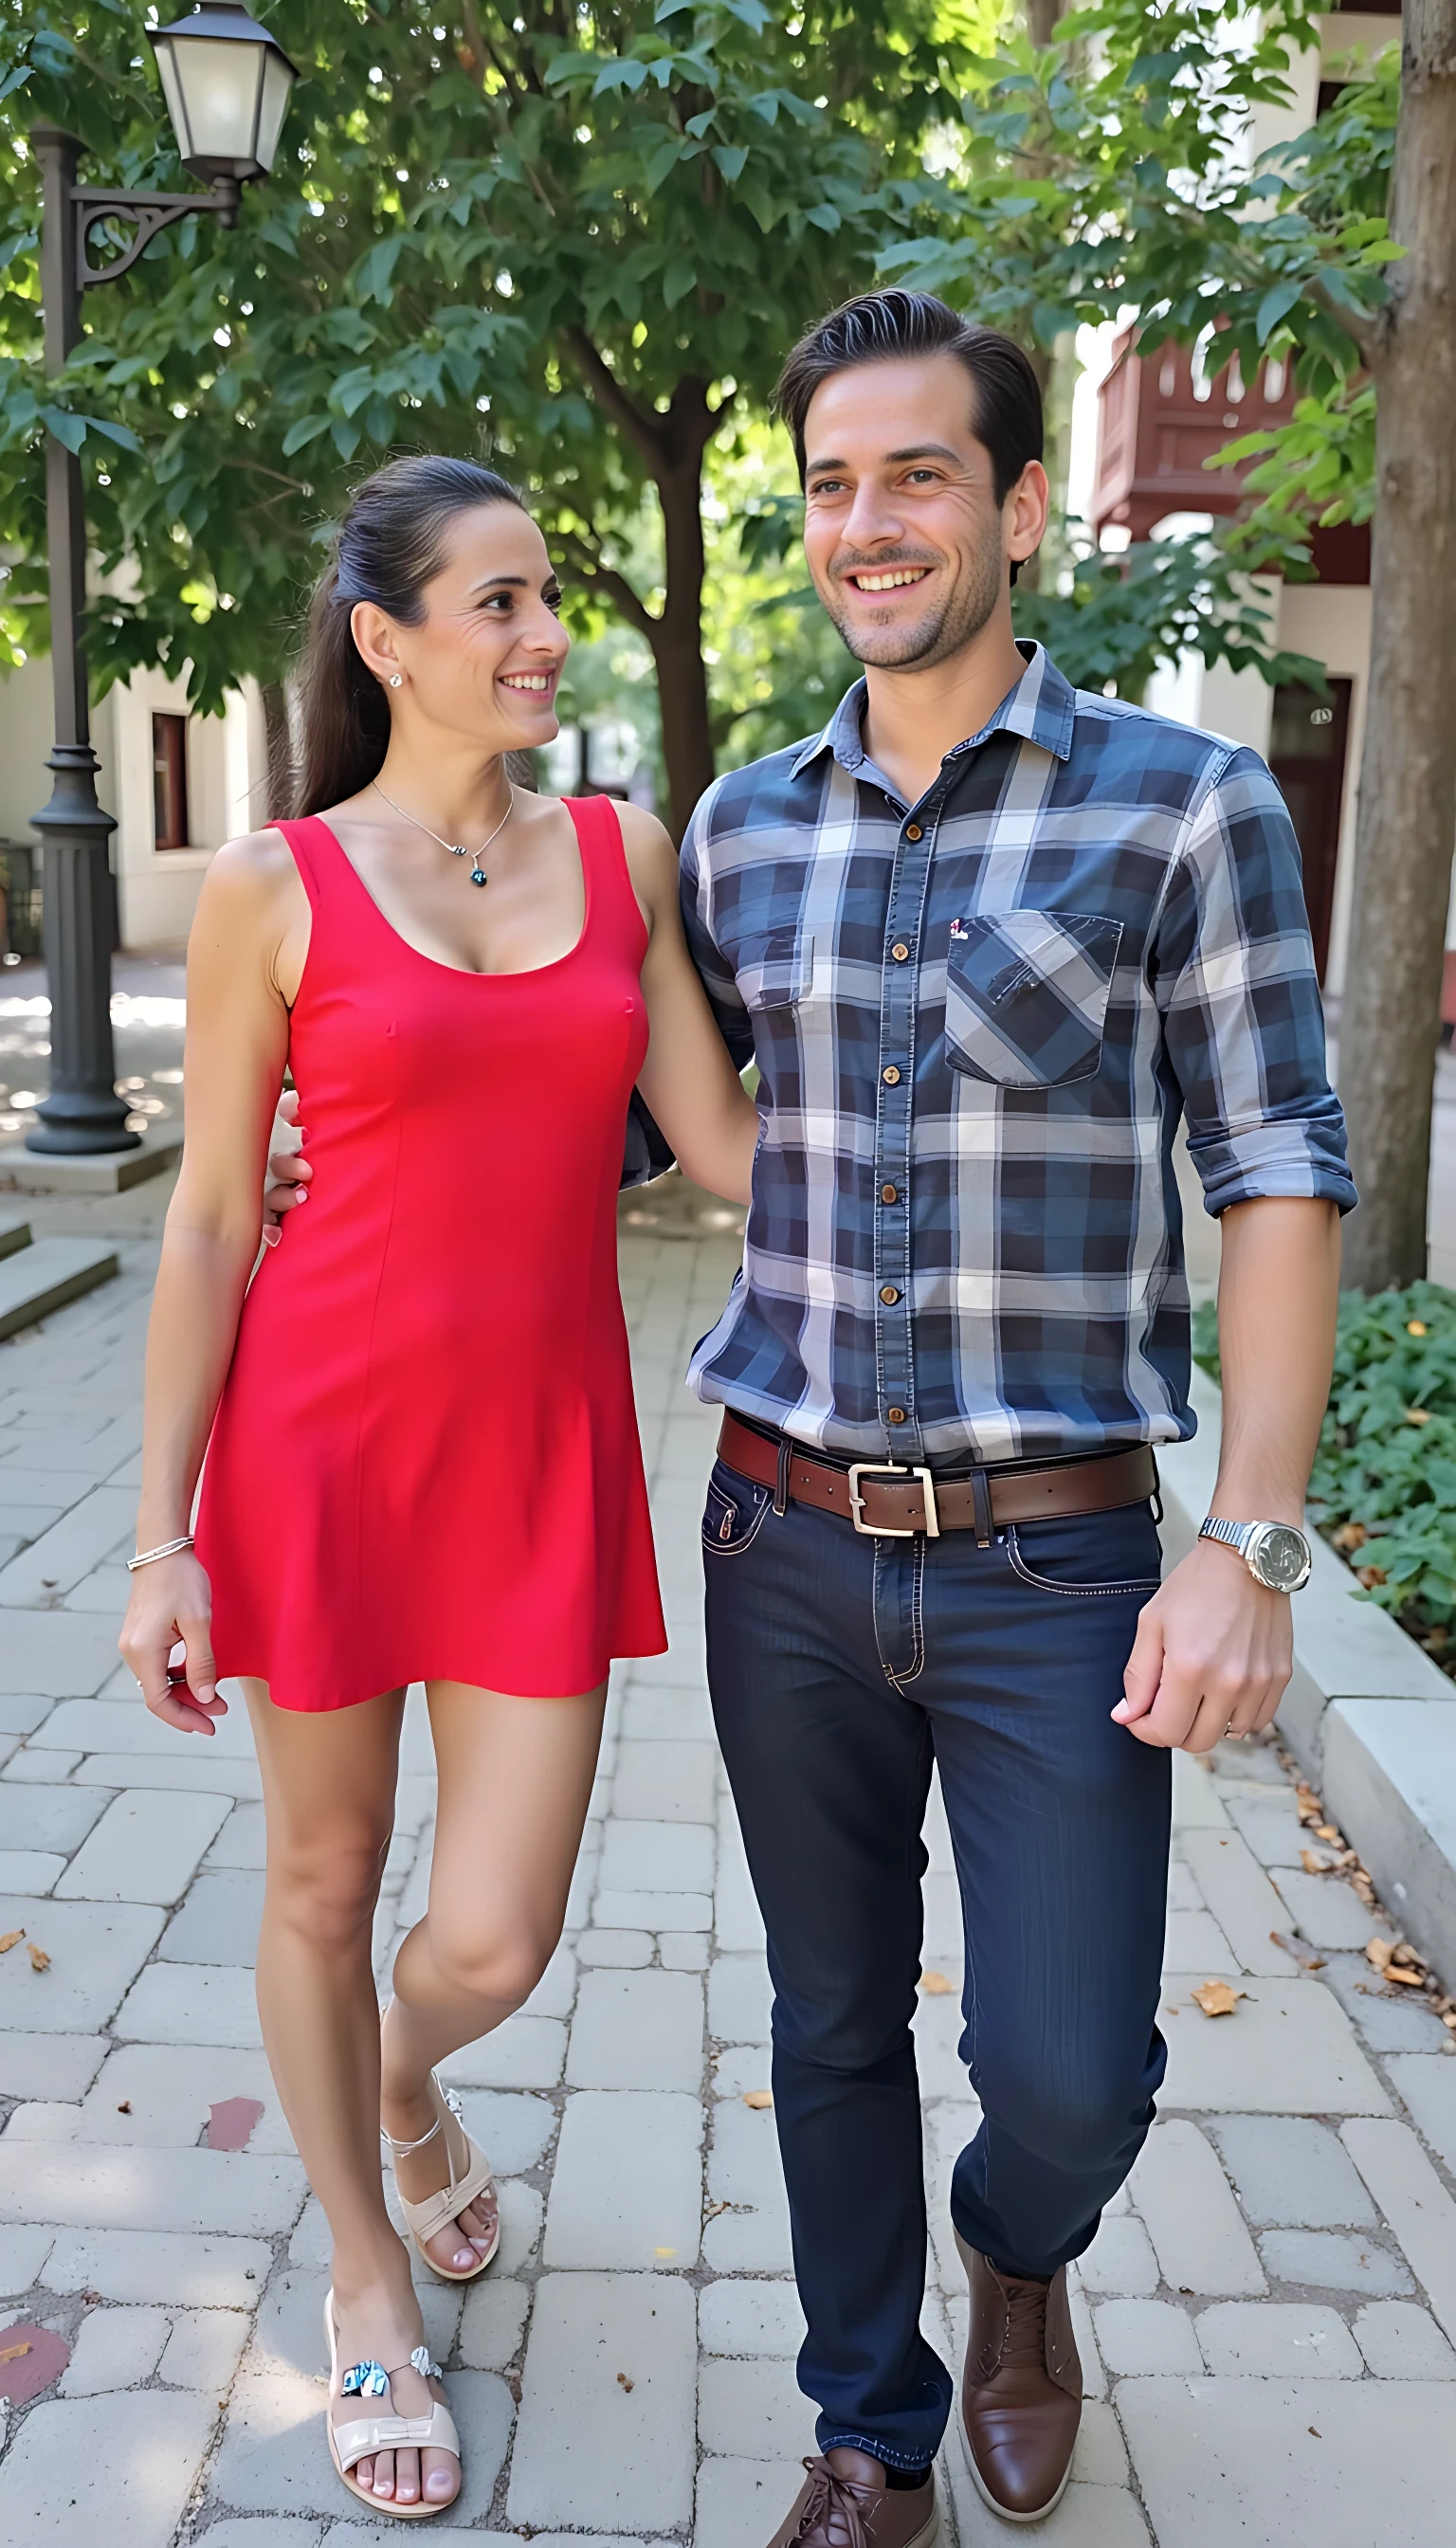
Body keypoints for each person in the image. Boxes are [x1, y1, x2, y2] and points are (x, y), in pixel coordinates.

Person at [267, 293, 1353, 2544]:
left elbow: (1279, 1172)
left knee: (1070, 2073)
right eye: (834, 484)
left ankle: (1020, 2255)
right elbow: (655, 1118)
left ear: (1020, 507)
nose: (867, 524)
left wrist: (1248, 1543)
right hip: (783, 1531)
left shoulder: (1190, 805)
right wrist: (340, 1143)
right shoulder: (741, 830)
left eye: (919, 475)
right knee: (828, 2018)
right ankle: (869, 2432)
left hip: (1065, 1553)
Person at [118, 454, 758, 2522]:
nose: (542, 629)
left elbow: (730, 1151)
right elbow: (213, 1218)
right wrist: (158, 1540)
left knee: (495, 1937)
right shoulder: (273, 884)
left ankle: (398, 2092)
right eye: (496, 600)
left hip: (541, 1453)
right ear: (387, 641)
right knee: (323, 1886)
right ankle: (368, 2278)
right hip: (314, 1448)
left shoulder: (621, 850)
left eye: (547, 592)